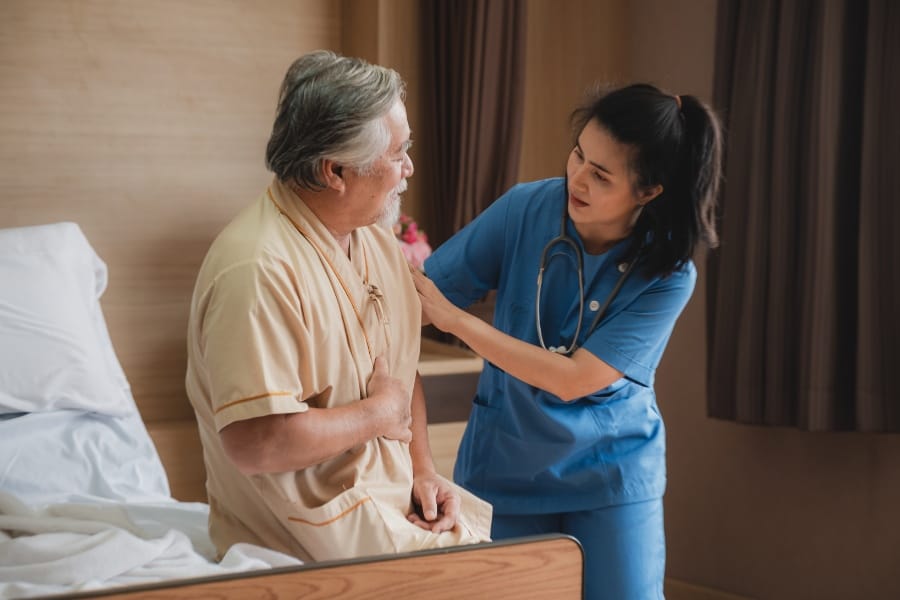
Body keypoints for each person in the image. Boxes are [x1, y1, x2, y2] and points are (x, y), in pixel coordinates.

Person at [411, 83, 723, 599]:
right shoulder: (525, 209)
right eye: (579, 154)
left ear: (648, 191)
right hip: (505, 461)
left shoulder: (669, 271)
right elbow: (421, 294)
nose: (576, 177)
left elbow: (576, 379)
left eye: (601, 175)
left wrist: (457, 323)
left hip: (611, 473)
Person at [185, 50, 491, 563]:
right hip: (302, 537)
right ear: (335, 171)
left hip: (388, 506)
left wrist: (423, 472)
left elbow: (400, 372)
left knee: (526, 572)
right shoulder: (257, 269)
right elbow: (256, 443)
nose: (409, 168)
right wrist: (375, 415)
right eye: (398, 153)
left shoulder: (377, 242)